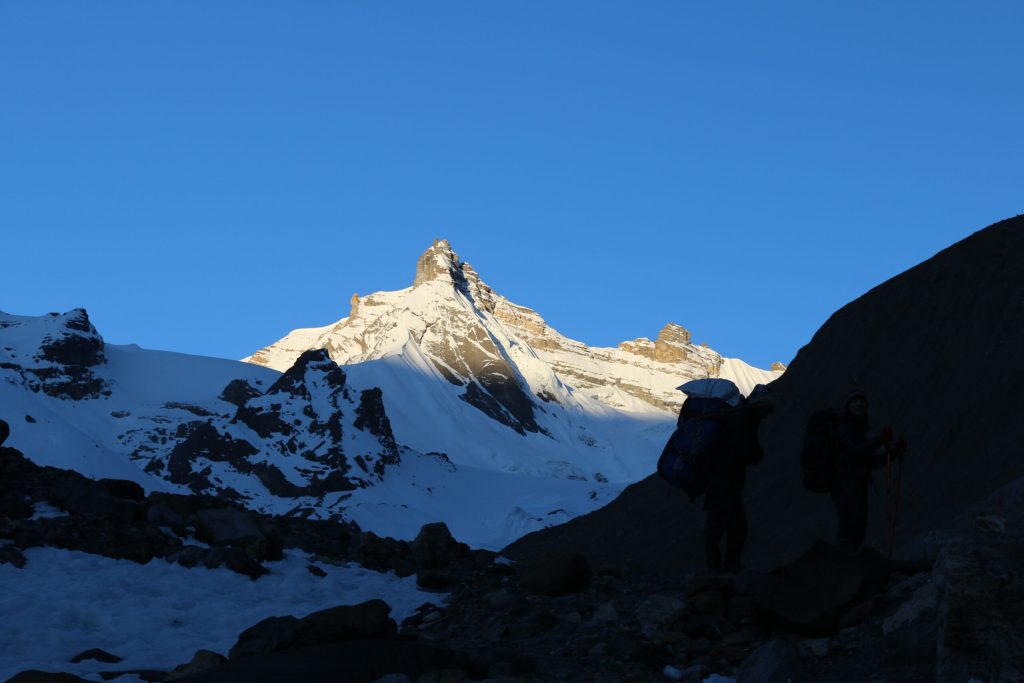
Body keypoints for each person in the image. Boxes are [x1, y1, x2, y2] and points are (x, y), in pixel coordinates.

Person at [677, 380, 772, 572]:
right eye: (765, 412)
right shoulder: (742, 420)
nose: (765, 416)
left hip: (718, 480)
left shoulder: (733, 416)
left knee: (724, 525)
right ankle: (722, 568)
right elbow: (748, 453)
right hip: (725, 481)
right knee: (728, 527)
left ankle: (721, 567)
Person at [831, 391, 906, 551]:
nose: (859, 404)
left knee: (855, 525)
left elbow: (868, 461)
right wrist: (880, 439)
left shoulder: (856, 429)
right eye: (855, 401)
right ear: (848, 406)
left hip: (852, 481)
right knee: (852, 524)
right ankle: (844, 567)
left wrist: (893, 452)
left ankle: (845, 565)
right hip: (847, 481)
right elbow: (855, 451)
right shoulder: (845, 426)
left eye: (862, 402)